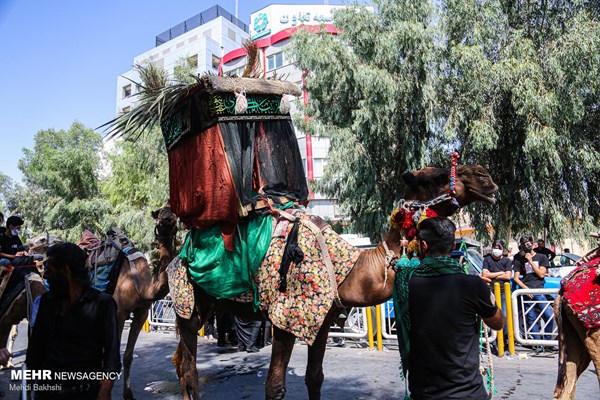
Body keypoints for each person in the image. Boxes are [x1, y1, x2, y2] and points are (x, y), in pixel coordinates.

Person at [394, 217, 503, 399]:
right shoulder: (473, 285)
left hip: (424, 393)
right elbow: (498, 323)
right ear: (453, 247)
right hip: (469, 393)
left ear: (423, 245)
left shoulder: (406, 283)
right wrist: (485, 294)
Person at [26, 243, 121, 400]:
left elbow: (112, 356)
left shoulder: (103, 304)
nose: (46, 276)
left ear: (66, 270)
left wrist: (105, 391)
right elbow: (35, 350)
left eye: (49, 270)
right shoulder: (46, 302)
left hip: (85, 393)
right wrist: (27, 391)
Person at [513, 235, 553, 346]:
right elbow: (516, 278)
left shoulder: (542, 257)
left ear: (532, 243)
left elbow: (541, 274)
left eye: (528, 243)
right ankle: (537, 343)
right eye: (523, 244)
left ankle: (548, 341)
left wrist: (530, 261)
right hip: (526, 292)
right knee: (531, 317)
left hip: (539, 290)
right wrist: (526, 289)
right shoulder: (518, 260)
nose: (526, 245)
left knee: (549, 315)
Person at [482, 240, 512, 352]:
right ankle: (494, 341)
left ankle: (505, 340)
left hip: (504, 291)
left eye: (499, 247)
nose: (496, 250)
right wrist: (500, 273)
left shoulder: (507, 261)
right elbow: (485, 274)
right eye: (495, 247)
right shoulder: (487, 259)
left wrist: (493, 275)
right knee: (492, 316)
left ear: (502, 249)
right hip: (491, 291)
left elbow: (508, 277)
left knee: (504, 315)